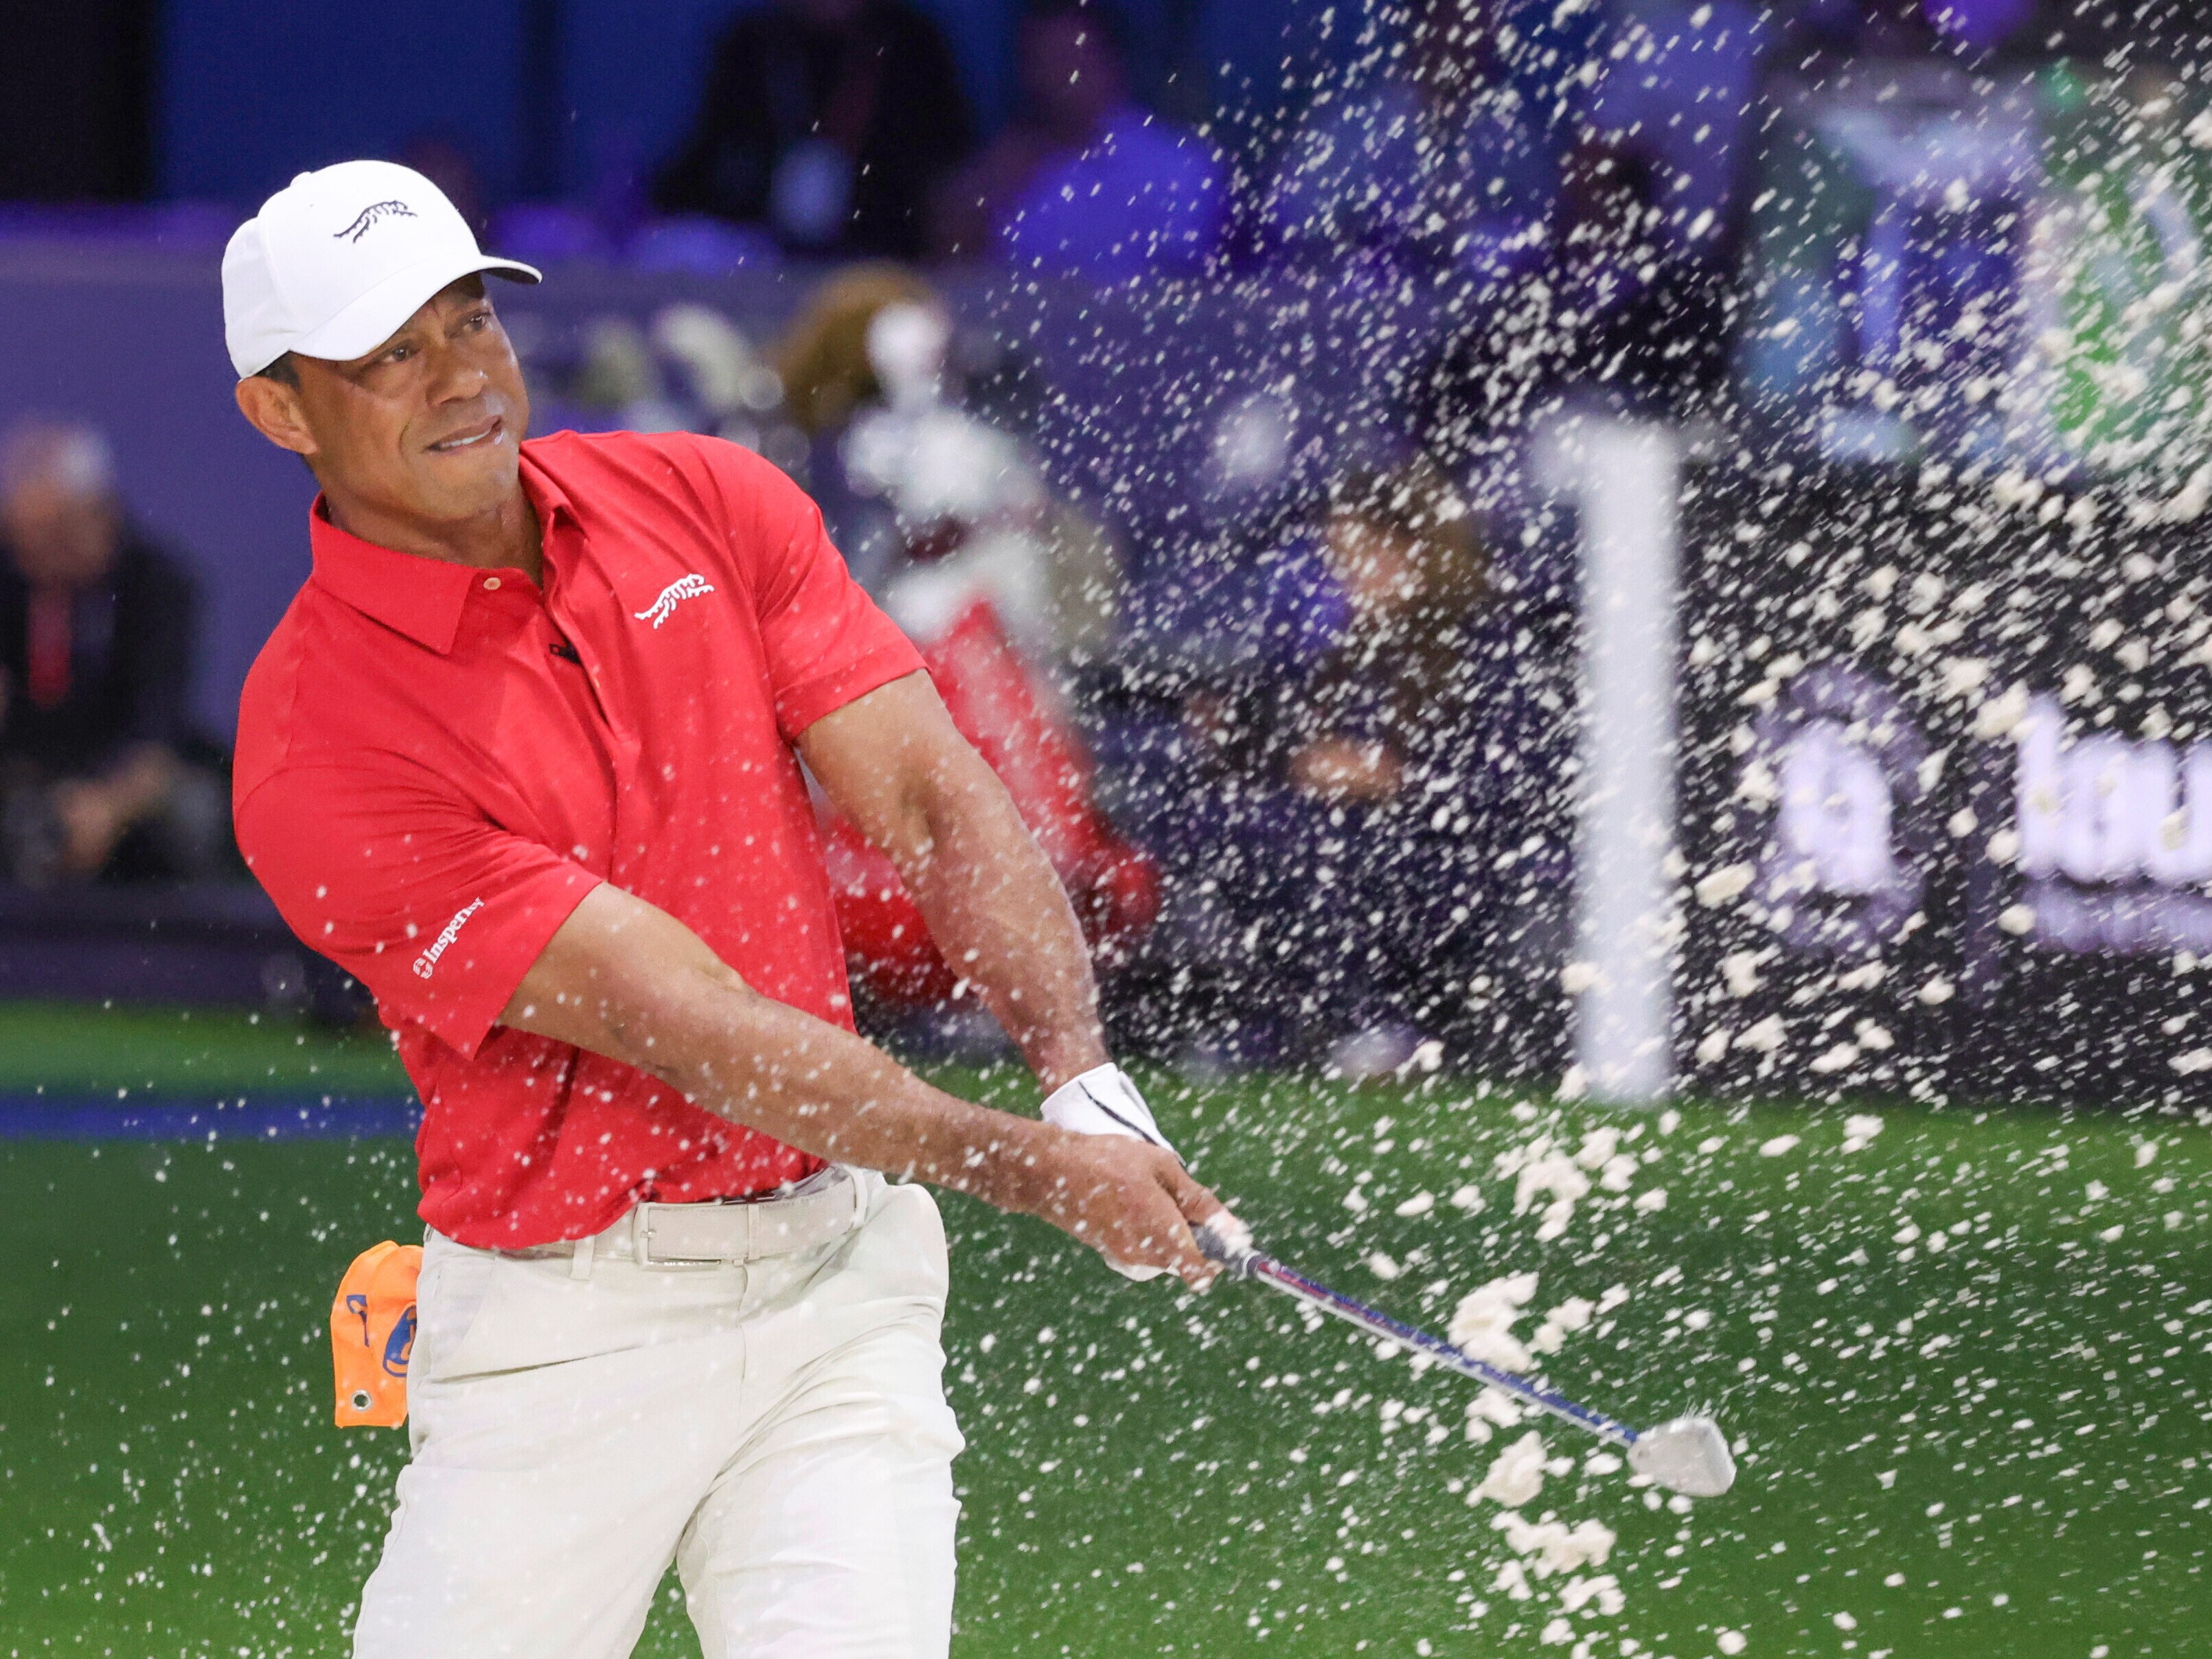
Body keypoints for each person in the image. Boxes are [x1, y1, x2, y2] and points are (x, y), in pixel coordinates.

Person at [221, 160, 1227, 1658]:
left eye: (470, 321)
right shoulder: (316, 747)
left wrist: (1076, 1072)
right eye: (389, 354)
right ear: (281, 410)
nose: (460, 377)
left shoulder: (700, 496)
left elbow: (934, 799)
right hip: (564, 1338)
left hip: (836, 1285)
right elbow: (675, 1018)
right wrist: (1028, 1167)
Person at [0, 419, 228, 884]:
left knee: (193, 811)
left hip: (126, 783)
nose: (35, 557)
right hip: (25, 775)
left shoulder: (159, 587)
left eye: (54, 535)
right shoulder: (12, 575)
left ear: (99, 515)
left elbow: (157, 736)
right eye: (22, 538)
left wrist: (104, 806)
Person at [652, 0, 974, 257]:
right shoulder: (752, 44)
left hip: (882, 265)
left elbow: (950, 179)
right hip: (766, 263)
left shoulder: (913, 46)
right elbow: (706, 164)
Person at [931, 0, 1225, 278]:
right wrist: (986, 193)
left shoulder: (1178, 163)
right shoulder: (1006, 165)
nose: (1059, 77)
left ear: (1111, 63)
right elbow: (953, 267)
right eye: (1043, 61)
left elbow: (1196, 278)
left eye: (1071, 59)